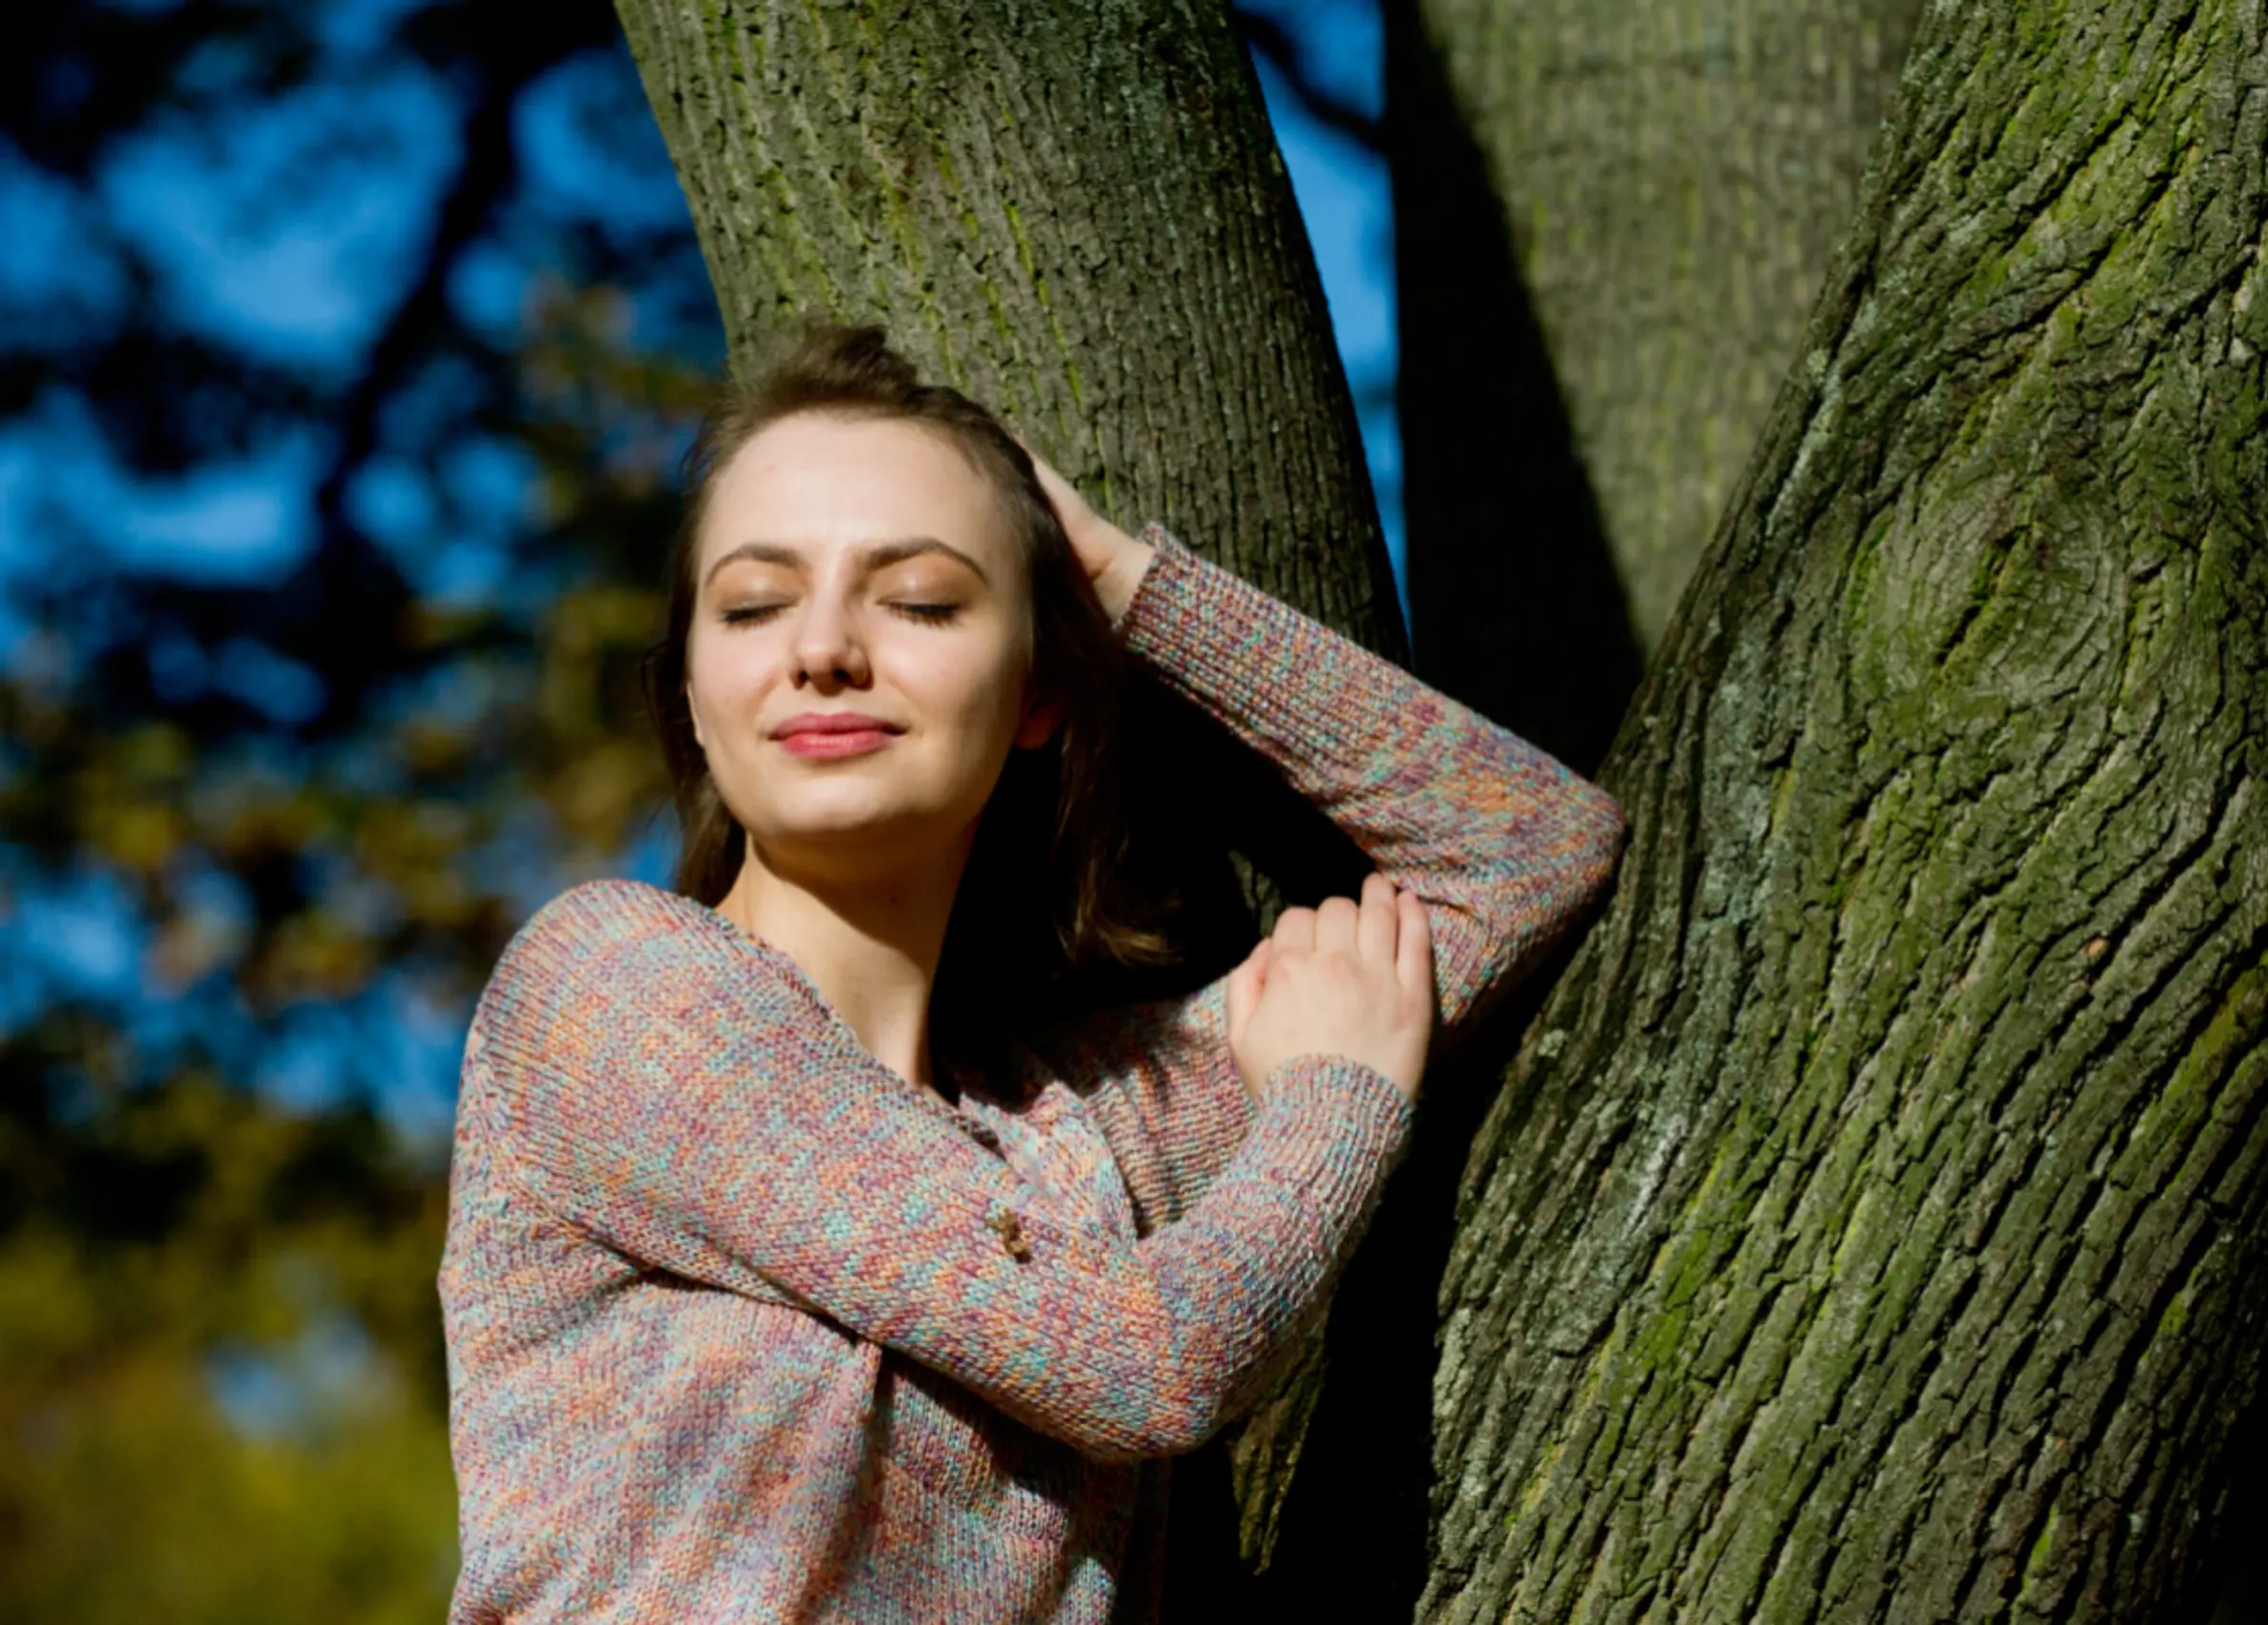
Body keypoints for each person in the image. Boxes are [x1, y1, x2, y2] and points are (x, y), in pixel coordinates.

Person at [438, 325, 1625, 1623]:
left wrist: (1124, 585)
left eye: (922, 598)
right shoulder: (611, 989)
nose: (822, 647)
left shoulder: (1085, 1138)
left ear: (1040, 692)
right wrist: (1331, 1101)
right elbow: (1148, 1358)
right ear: (698, 691)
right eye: (755, 601)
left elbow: (1530, 849)